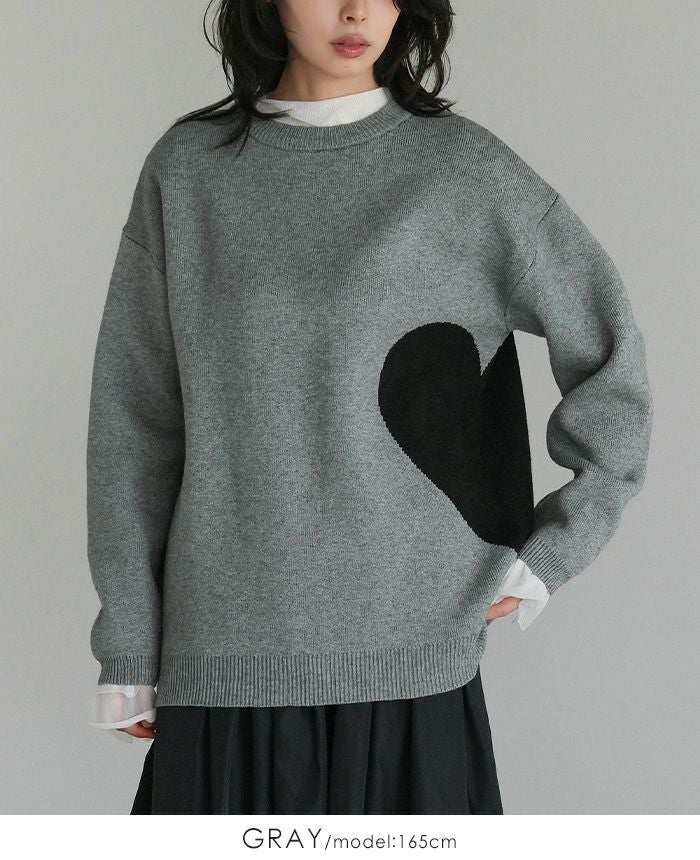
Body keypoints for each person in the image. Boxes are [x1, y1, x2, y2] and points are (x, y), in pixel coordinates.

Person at [86, 0, 653, 814]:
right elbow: (136, 422)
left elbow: (608, 353)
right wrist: (128, 641)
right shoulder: (189, 171)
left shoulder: (463, 172)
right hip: (224, 656)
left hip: (413, 660)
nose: (356, 10)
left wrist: (561, 545)